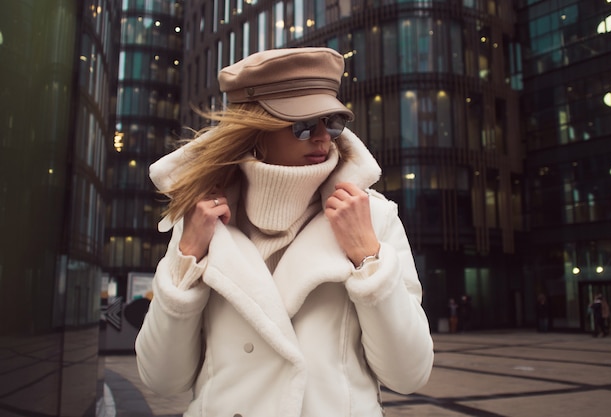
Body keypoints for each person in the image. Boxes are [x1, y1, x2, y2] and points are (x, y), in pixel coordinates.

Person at [134, 47, 434, 417]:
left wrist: (368, 259)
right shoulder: (201, 219)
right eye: (303, 125)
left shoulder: (372, 217)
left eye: (333, 122)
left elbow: (409, 373)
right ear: (255, 131)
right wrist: (188, 258)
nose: (323, 138)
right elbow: (161, 378)